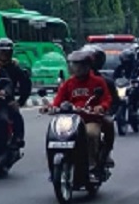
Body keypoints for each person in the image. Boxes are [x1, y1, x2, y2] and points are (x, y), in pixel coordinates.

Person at [43, 48, 113, 178]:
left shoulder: (98, 81)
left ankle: (92, 165)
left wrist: (100, 107)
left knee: (91, 134)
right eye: (74, 65)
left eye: (80, 65)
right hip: (71, 120)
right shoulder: (68, 83)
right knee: (55, 136)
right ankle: (54, 167)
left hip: (90, 119)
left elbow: (106, 98)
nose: (77, 68)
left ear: (87, 66)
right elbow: (58, 100)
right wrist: (50, 108)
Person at [84, 44, 119, 166]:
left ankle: (104, 154)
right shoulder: (72, 81)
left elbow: (112, 100)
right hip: (76, 116)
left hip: (95, 116)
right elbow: (61, 97)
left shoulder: (104, 82)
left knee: (107, 122)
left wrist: (104, 110)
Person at [0, 37, 32, 148]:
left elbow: (25, 84)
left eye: (6, 52)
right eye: (2, 52)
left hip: (6, 100)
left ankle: (18, 137)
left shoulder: (15, 68)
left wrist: (20, 101)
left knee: (15, 113)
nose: (4, 55)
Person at [113, 47, 139, 125]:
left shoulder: (137, 67)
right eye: (124, 59)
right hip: (123, 86)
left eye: (127, 59)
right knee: (114, 95)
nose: (125, 61)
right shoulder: (120, 68)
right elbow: (115, 76)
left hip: (134, 86)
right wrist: (114, 80)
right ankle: (114, 111)